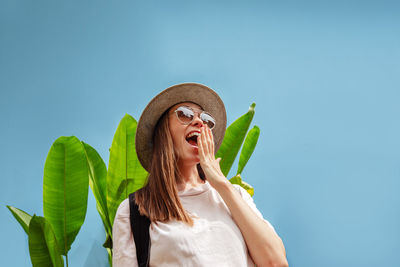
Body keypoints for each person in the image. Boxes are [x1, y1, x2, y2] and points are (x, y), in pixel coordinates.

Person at [112, 83, 288, 267]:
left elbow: (276, 263)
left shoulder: (236, 195)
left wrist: (221, 184)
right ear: (163, 133)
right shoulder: (135, 210)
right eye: (185, 114)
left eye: (205, 118)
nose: (199, 121)